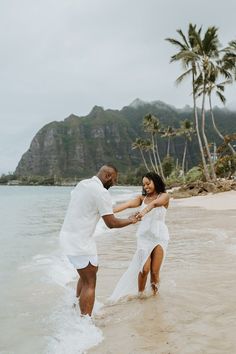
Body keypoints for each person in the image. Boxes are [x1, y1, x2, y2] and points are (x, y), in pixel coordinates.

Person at [60, 165, 139, 316]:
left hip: (68, 237)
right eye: (114, 180)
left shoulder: (83, 184)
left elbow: (100, 209)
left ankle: (75, 306)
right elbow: (111, 223)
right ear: (108, 176)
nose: (114, 184)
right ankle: (85, 324)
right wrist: (131, 220)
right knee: (90, 282)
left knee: (88, 273)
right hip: (80, 241)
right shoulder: (101, 192)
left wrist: (128, 204)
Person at [110, 171, 170, 302]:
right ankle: (141, 294)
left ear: (156, 181)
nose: (146, 187)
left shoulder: (164, 196)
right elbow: (126, 205)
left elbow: (154, 204)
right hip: (144, 237)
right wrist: (107, 211)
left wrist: (142, 213)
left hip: (160, 236)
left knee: (155, 272)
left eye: (148, 183)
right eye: (144, 185)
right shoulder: (142, 199)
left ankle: (154, 296)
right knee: (144, 268)